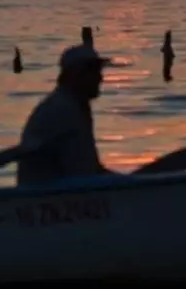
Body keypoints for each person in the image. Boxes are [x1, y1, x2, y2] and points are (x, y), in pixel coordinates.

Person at [17, 44, 118, 187]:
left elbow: (90, 169)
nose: (100, 78)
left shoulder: (76, 105)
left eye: (99, 70)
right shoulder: (61, 109)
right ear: (72, 74)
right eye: (92, 70)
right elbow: (82, 173)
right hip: (49, 198)